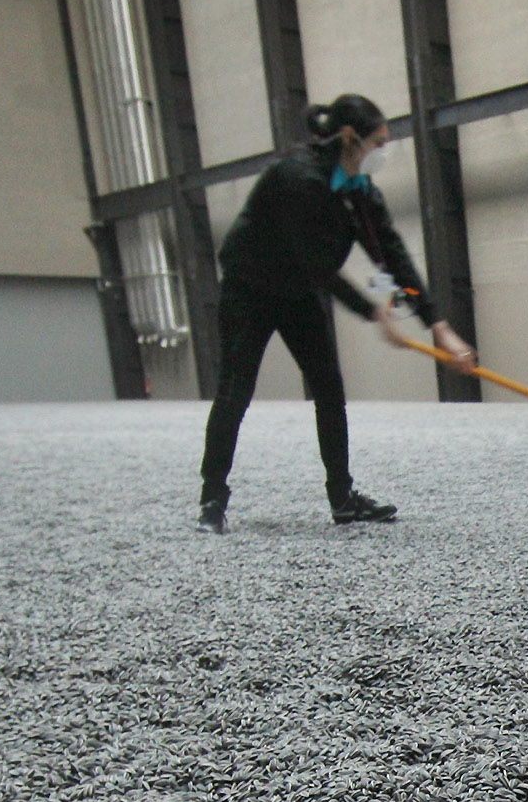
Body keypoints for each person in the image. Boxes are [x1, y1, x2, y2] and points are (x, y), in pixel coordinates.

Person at [195, 92, 476, 533]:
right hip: (250, 288)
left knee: (329, 389)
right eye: (378, 142)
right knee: (236, 388)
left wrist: (438, 325)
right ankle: (212, 499)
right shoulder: (297, 179)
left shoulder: (360, 190)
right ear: (350, 137)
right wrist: (372, 312)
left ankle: (343, 498)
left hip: (299, 290)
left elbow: (392, 256)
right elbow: (317, 263)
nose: (383, 152)